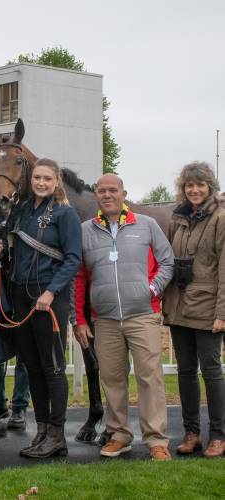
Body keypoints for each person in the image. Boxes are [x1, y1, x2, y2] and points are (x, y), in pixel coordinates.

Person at [74, 174, 175, 461]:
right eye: (102, 191)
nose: (107, 195)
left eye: (112, 190)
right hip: (104, 319)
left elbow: (167, 260)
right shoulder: (86, 231)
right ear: (96, 195)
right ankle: (119, 434)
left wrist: (152, 289)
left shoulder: (147, 225)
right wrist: (80, 319)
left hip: (143, 315)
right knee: (112, 378)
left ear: (123, 193)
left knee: (149, 378)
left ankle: (156, 439)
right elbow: (79, 276)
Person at [0, 158, 81, 458]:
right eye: (37, 178)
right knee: (32, 366)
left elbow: (72, 259)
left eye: (47, 178)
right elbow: (16, 250)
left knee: (52, 367)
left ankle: (57, 435)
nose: (41, 183)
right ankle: (41, 430)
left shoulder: (65, 214)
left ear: (57, 182)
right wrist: (0, 250)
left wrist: (52, 292)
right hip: (21, 296)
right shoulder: (22, 211)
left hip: (48, 298)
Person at [162, 161, 225, 458]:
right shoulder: (178, 218)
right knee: (185, 372)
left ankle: (218, 435)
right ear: (183, 189)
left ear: (209, 187)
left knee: (212, 373)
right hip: (179, 307)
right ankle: (192, 433)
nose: (194, 190)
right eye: (189, 185)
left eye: (199, 185)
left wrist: (222, 313)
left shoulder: (221, 218)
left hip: (208, 308)